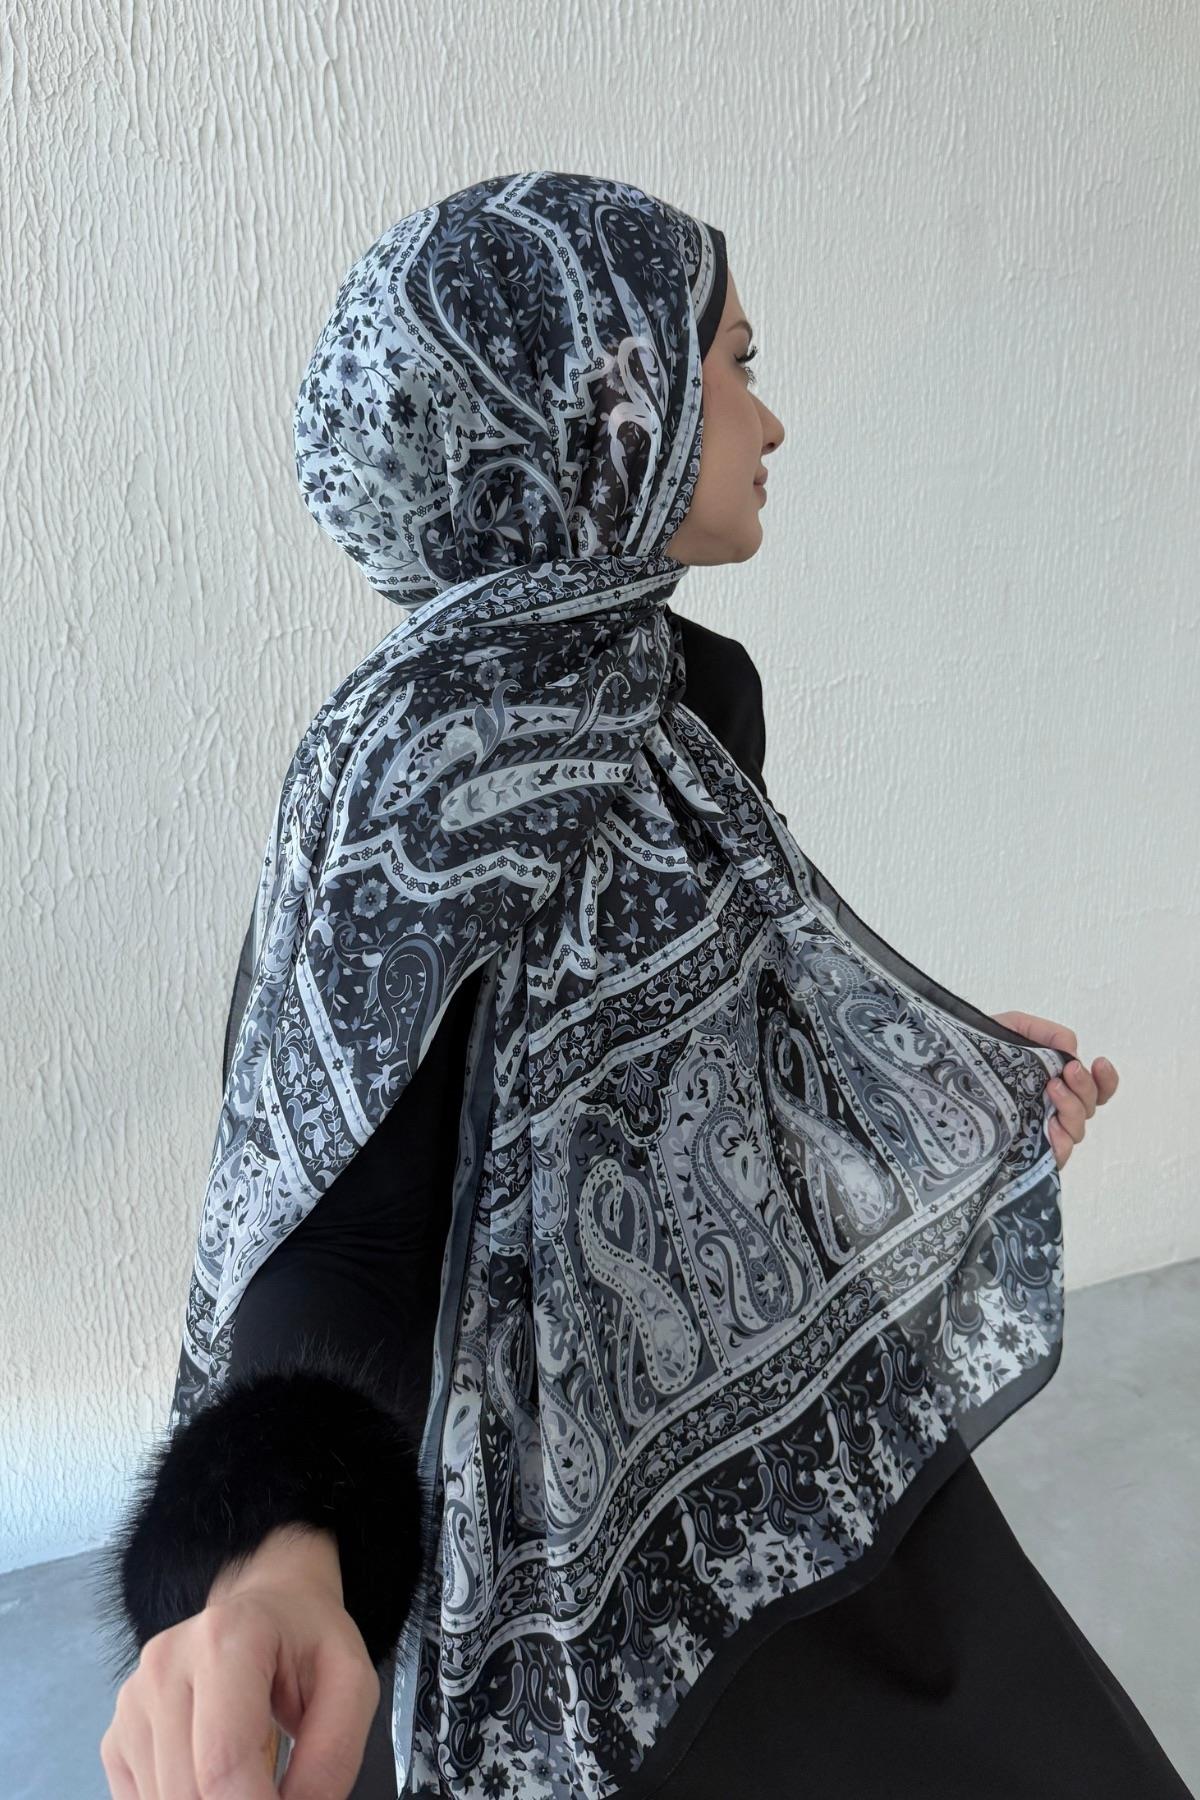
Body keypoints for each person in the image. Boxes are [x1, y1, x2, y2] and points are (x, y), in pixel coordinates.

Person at [95, 172, 1190, 1800]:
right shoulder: (412, 774)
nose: (771, 419)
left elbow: (723, 1063)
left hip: (765, 1441)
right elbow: (340, 1227)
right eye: (734, 362)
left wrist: (946, 1082)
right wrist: (270, 1560)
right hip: (532, 1553)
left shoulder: (684, 692)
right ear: (602, 412)